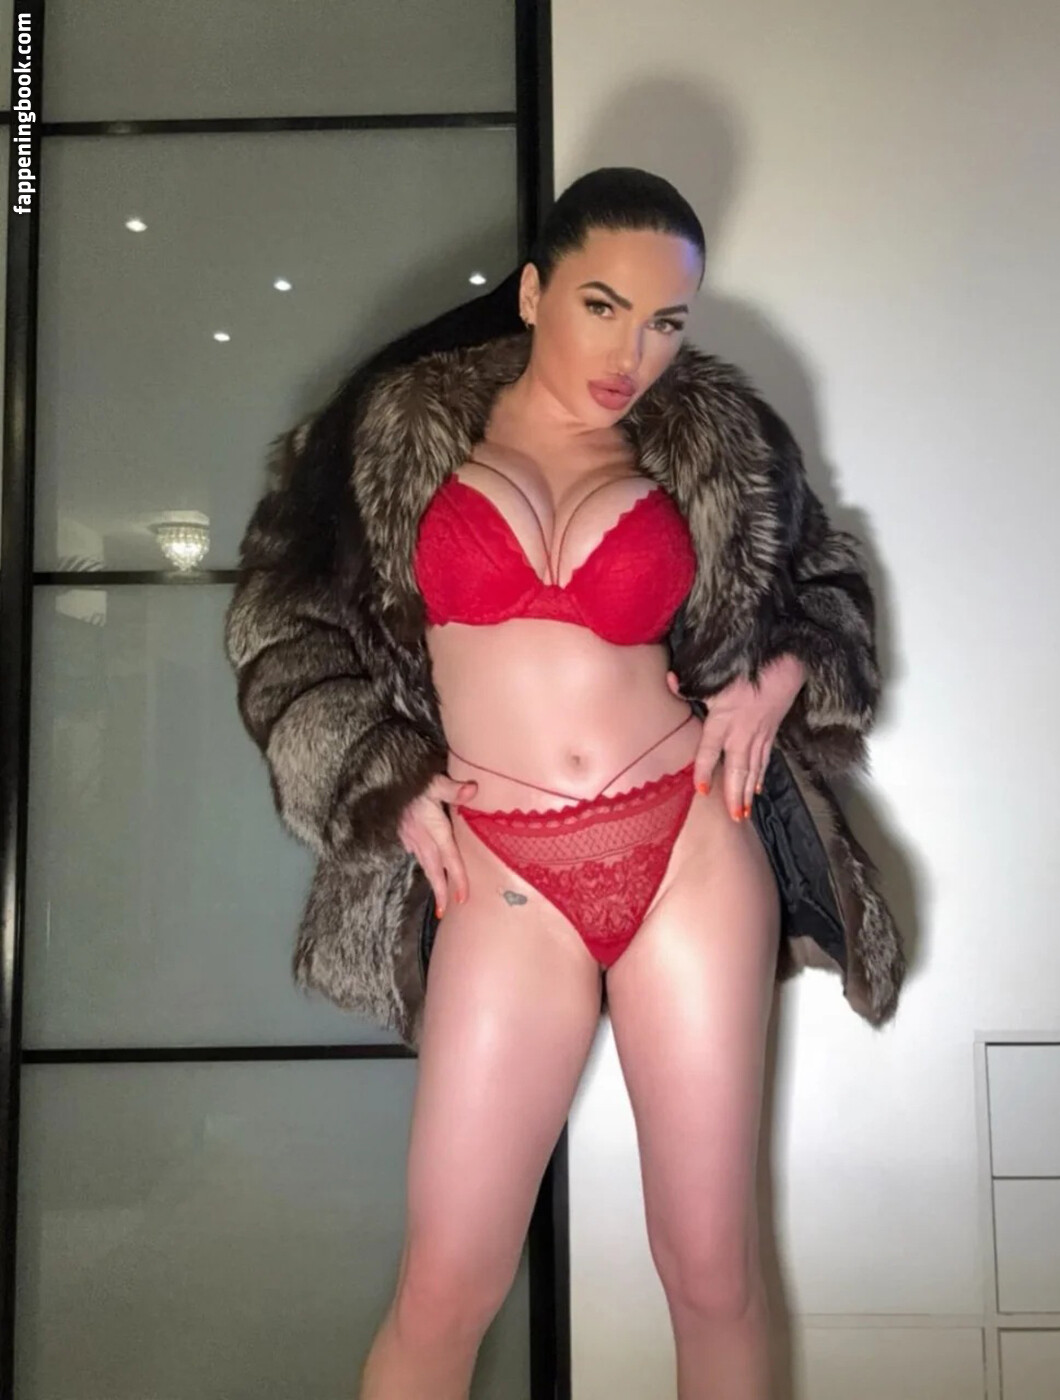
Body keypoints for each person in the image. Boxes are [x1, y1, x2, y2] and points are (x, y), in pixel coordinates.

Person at [224, 167, 905, 1400]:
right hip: (503, 868)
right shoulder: (392, 431)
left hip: (689, 846)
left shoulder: (716, 440)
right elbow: (284, 627)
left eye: (665, 322)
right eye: (603, 305)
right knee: (444, 1286)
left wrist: (776, 680)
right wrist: (382, 776)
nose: (632, 353)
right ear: (535, 290)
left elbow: (828, 588)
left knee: (711, 1272)